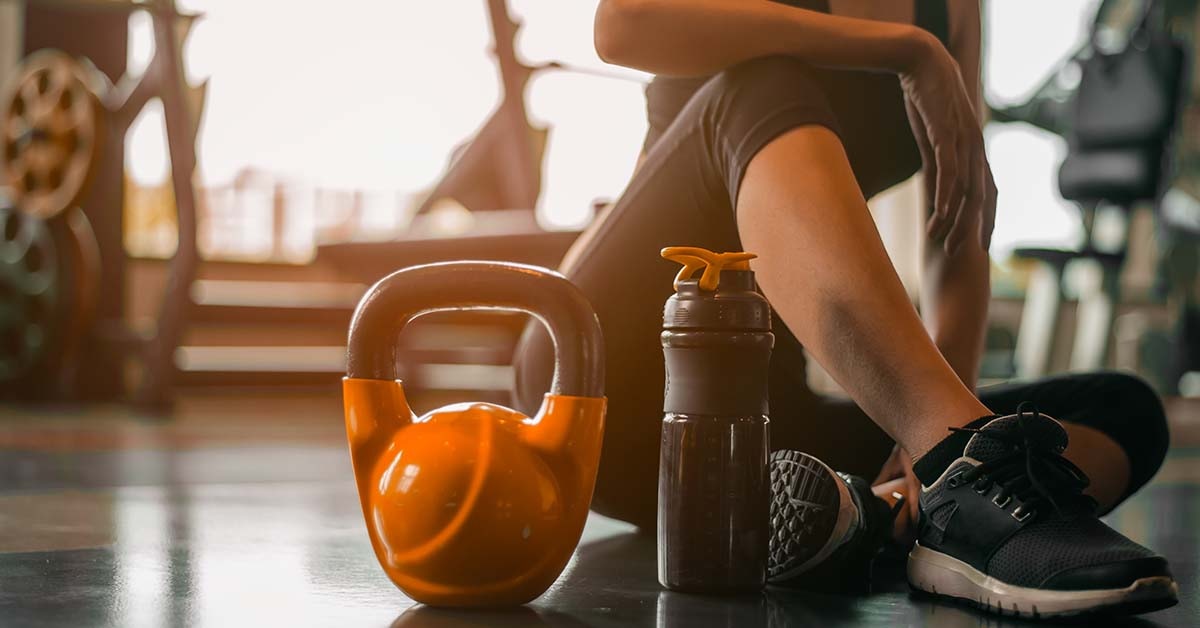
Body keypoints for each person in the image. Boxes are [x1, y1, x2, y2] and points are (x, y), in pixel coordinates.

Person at [514, 0, 1177, 618]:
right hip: (610, 380)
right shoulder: (917, 40)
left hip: (767, 432)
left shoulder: (955, 9)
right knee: (763, 80)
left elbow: (959, 204)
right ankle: (944, 478)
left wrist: (929, 438)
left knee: (1124, 408)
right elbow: (622, 26)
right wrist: (906, 49)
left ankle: (874, 513)